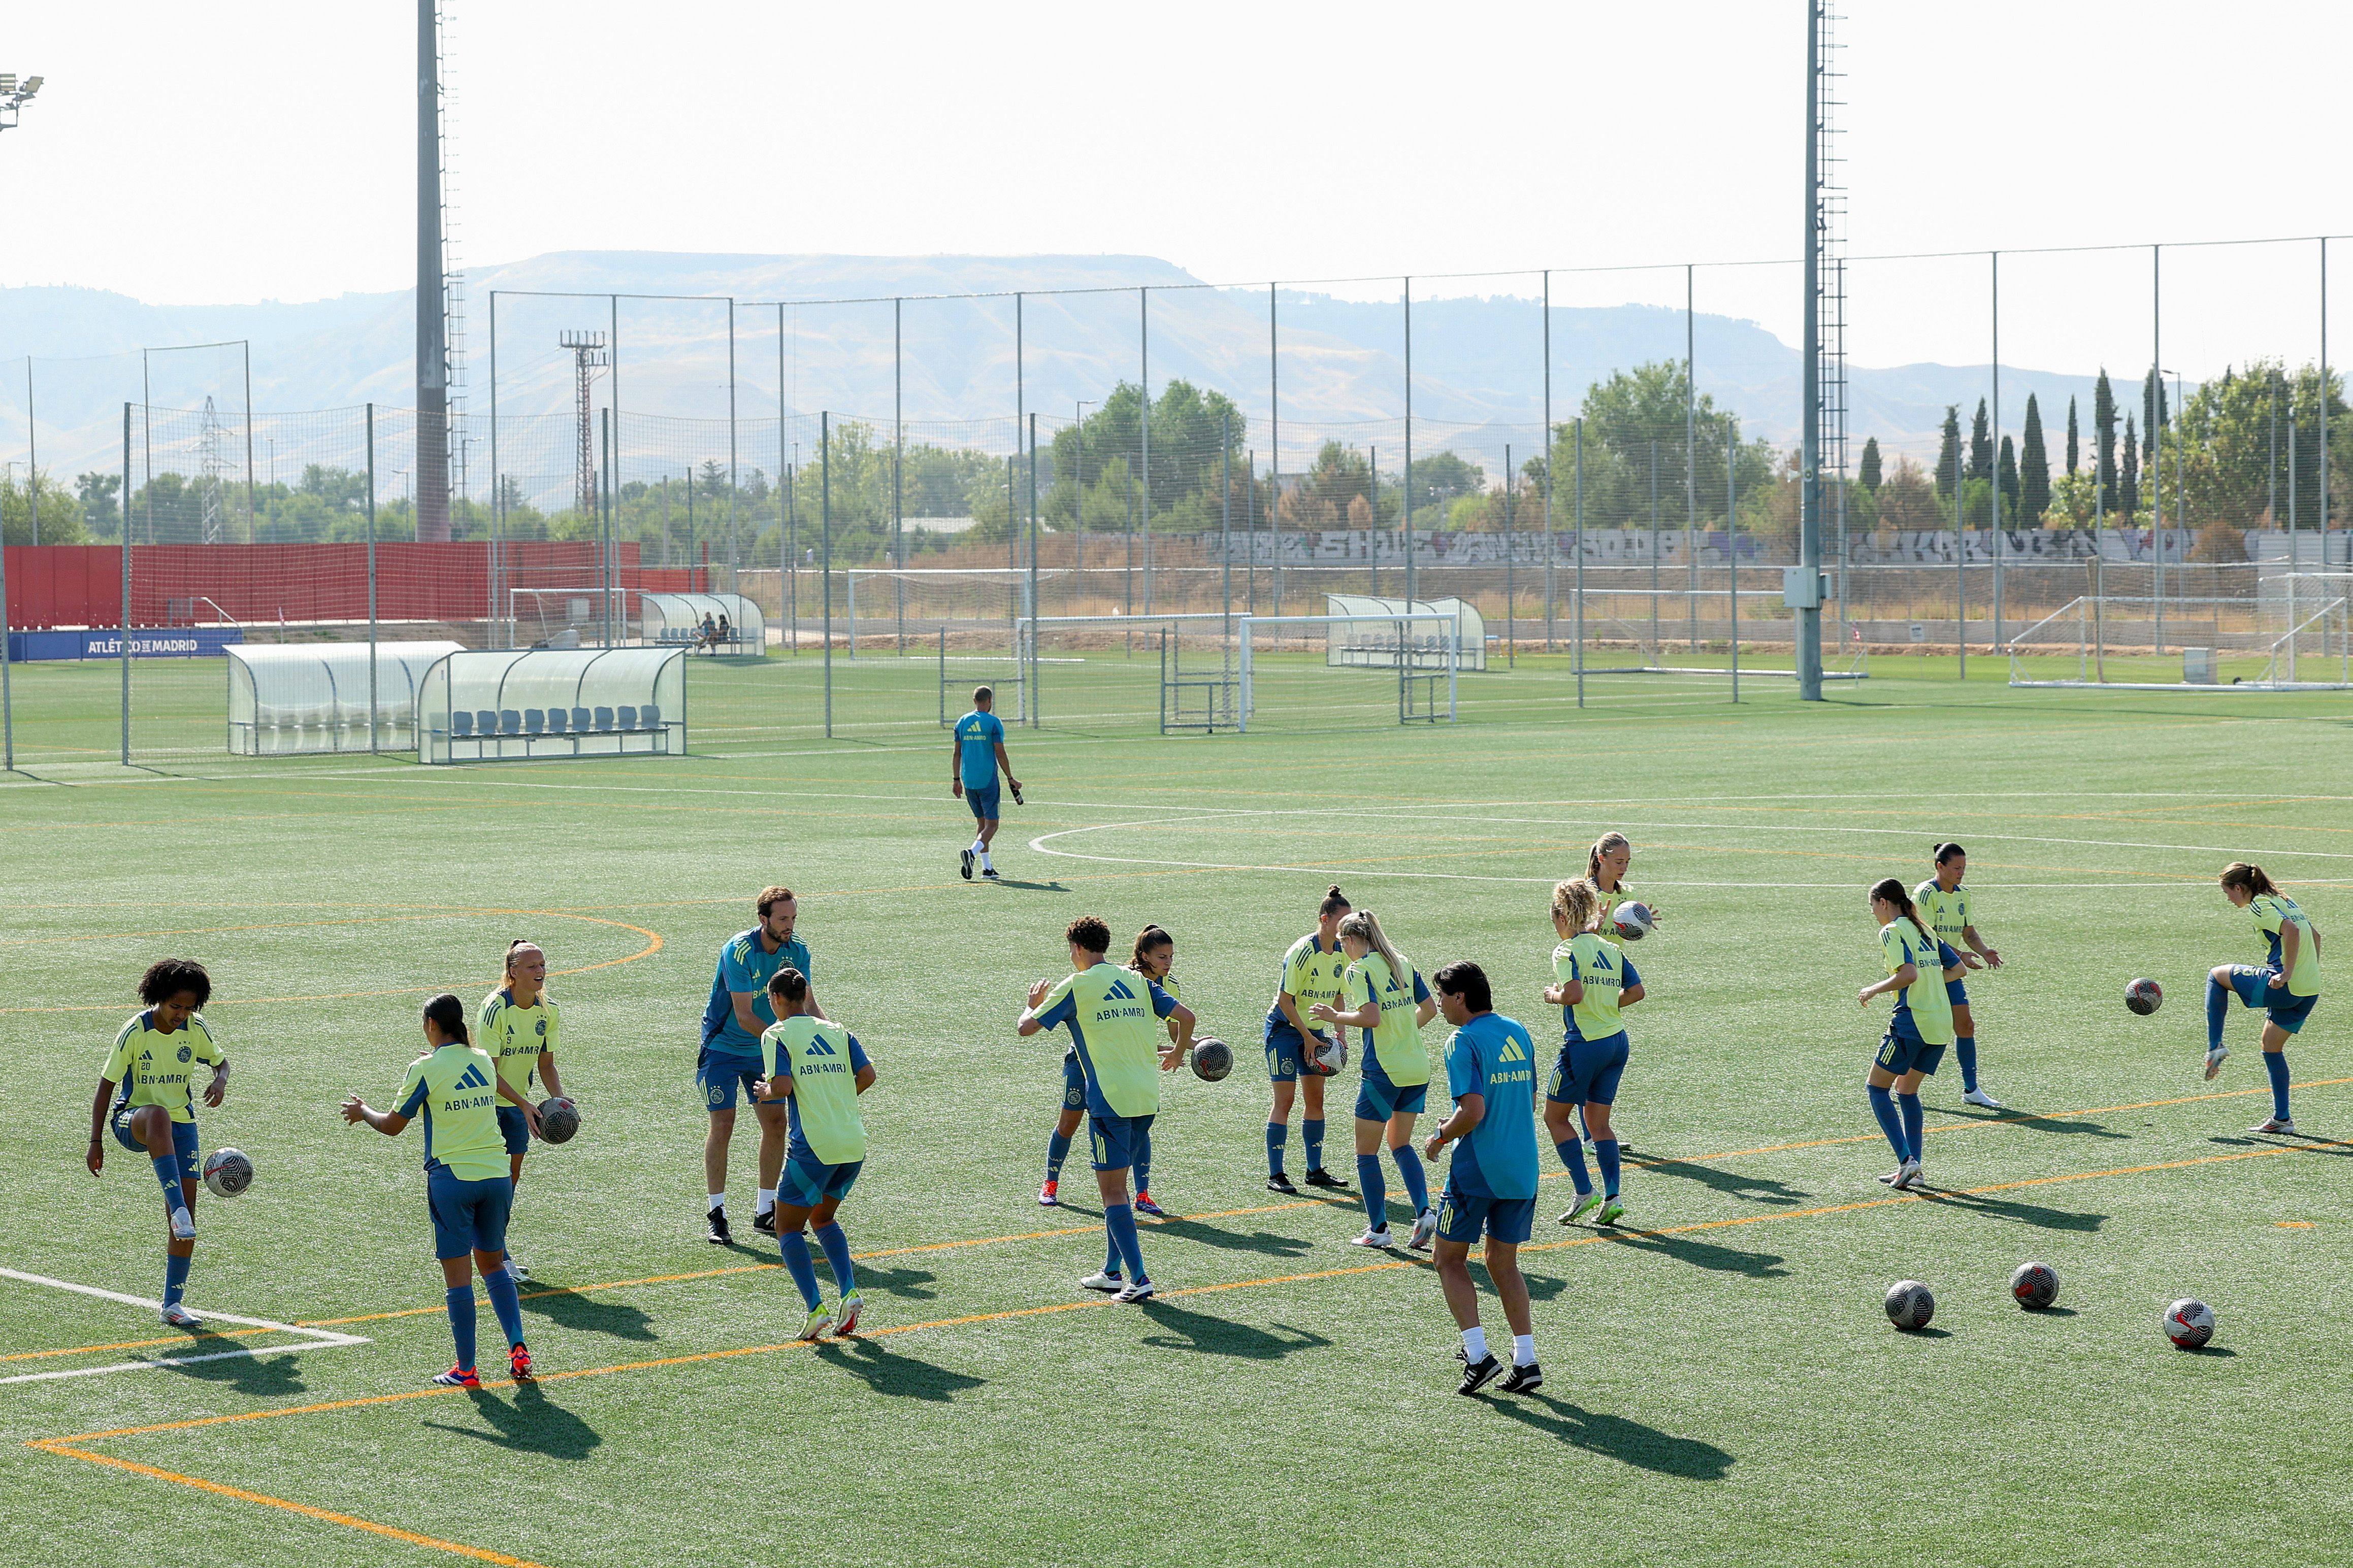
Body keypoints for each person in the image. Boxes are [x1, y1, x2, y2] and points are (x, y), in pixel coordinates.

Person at [341, 993, 534, 1387]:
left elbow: (394, 1125)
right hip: (497, 1176)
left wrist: (363, 1113)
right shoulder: (481, 1058)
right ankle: (518, 1347)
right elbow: (494, 1082)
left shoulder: (425, 1068)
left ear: (431, 1024)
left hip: (452, 1180)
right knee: (494, 1265)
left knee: (459, 1277)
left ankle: (467, 1369)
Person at [1018, 915, 1193, 1303]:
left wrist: (1030, 1007)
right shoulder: (1136, 980)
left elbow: (1026, 1029)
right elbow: (1186, 1017)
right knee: (1120, 1184)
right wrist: (1179, 1054)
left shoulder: (1076, 986)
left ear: (1077, 948)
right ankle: (1113, 1271)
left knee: (1113, 1191)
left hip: (1109, 1101)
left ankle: (1140, 1278)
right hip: (1147, 1096)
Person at [87, 959, 229, 1329]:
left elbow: (222, 1063)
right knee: (159, 1115)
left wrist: (220, 1080)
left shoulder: (195, 1028)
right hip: (134, 1120)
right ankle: (177, 1207)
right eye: (174, 1006)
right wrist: (95, 1140)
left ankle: (173, 1303)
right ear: (158, 998)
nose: (181, 1014)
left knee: (187, 1220)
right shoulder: (136, 1030)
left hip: (181, 1124)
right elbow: (106, 1087)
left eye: (188, 1007)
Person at [1423, 961, 1543, 1397]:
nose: (1439, 1004)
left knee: (1448, 1260)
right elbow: (1525, 1100)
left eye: (1442, 995)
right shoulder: (1518, 1030)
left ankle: (1478, 1356)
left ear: (1459, 997)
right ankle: (1526, 1361)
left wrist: (1441, 1136)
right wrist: (1456, 1122)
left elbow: (1474, 1111)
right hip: (1523, 1168)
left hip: (1478, 1170)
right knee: (1502, 1262)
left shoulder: (1462, 1040)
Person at [756, 968, 876, 1340]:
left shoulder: (776, 1034)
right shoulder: (839, 1031)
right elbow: (868, 1075)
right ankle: (850, 1293)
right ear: (805, 996)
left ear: (776, 999)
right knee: (823, 1219)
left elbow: (784, 1085)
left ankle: (815, 1308)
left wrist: (765, 1092)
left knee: (786, 1226)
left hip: (815, 1147)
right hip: (853, 1144)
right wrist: (835, 1101)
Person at [697, 886, 822, 1244]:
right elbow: (744, 1014)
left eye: (794, 917)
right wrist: (787, 1042)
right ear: (763, 918)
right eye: (783, 918)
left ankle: (766, 1211)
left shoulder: (797, 950)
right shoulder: (739, 950)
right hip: (722, 1046)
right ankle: (717, 1213)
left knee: (776, 1122)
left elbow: (809, 1005)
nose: (790, 925)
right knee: (723, 1122)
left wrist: (832, 1038)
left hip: (764, 1048)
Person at [1310, 910, 1439, 1250]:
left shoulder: (1360, 969)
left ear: (1350, 940)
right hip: (1416, 1068)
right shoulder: (1403, 962)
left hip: (1384, 1071)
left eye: (1342, 943)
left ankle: (1379, 1229)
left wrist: (1334, 1016)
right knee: (1400, 1144)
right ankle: (1425, 1212)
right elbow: (1430, 1009)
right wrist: (1403, 1032)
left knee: (1366, 1153)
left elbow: (1370, 1016)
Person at [1042, 924, 1187, 1214]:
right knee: (1069, 1123)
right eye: (1162, 957)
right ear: (1144, 956)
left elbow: (1173, 1034)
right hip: (1084, 1063)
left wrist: (1195, 1046)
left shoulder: (1168, 986)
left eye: (1171, 957)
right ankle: (1051, 1183)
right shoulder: (1121, 978)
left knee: (1137, 1125)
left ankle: (1142, 1193)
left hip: (1124, 1067)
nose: (1168, 963)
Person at [1541, 879, 1645, 1227]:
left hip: (1584, 1045)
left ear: (1560, 914)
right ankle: (1613, 1196)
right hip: (1616, 1041)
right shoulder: (1611, 949)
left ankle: (1584, 1192)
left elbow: (1572, 994)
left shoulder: (1566, 951)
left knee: (1554, 1118)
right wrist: (1606, 1005)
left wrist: (1552, 995)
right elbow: (1636, 991)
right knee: (1599, 1123)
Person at [2205, 861, 2322, 1135]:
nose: (2228, 899)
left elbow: (2291, 932)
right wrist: (2307, 972)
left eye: (2228, 893)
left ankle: (2215, 1046)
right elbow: (2314, 935)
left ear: (2239, 888)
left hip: (2284, 987)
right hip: (2309, 991)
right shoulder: (2284, 899)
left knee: (2216, 976)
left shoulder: (2260, 905)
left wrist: (2287, 974)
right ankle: (2282, 1119)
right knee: (2271, 1047)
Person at [1857, 877, 1956, 1191]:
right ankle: (1915, 1167)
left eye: (1873, 906)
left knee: (1876, 1089)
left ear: (1883, 903)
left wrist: (1873, 989)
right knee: (1907, 1091)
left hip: (1912, 1022)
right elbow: (1958, 970)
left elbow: (1908, 974)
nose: (1874, 912)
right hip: (1941, 1024)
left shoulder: (1892, 931)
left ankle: (1906, 1162)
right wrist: (1932, 984)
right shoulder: (1924, 929)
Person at [477, 941, 565, 1282]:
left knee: (509, 1182)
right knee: (494, 1181)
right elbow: (488, 1072)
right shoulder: (496, 1008)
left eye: (542, 964)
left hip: (517, 1106)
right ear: (513, 972)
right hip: (485, 1104)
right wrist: (525, 1104)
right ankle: (495, 1255)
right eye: (531, 966)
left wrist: (560, 1100)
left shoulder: (549, 1010)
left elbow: (547, 1064)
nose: (540, 971)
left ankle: (495, 1249)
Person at [1263, 885, 1354, 1195]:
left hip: (1316, 1032)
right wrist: (1306, 1037)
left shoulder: (1343, 953)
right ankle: (1276, 1173)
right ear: (1324, 919)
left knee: (1316, 1100)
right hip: (1285, 1030)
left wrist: (1339, 1034)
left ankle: (1314, 1170)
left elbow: (1339, 995)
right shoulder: (1302, 951)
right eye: (1342, 922)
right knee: (1285, 1101)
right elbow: (1285, 1000)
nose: (1346, 929)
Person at [1916, 843, 2005, 1109]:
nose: (1962, 873)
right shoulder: (1926, 893)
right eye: (1957, 868)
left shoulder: (1963, 894)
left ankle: (1971, 1089)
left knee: (1965, 1026)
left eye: (1964, 868)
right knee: (1921, 1031)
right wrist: (1960, 956)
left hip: (1951, 970)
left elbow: (1969, 933)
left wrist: (1984, 950)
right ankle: (1891, 1082)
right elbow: (1926, 935)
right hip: (1927, 970)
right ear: (1939, 867)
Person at [951, 686, 1023, 882]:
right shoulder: (993, 723)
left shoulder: (962, 722)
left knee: (982, 824)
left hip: (968, 780)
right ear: (990, 700)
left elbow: (957, 753)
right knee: (992, 825)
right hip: (987, 780)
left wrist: (956, 780)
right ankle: (971, 853)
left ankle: (987, 868)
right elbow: (1000, 752)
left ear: (975, 701)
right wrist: (1011, 778)